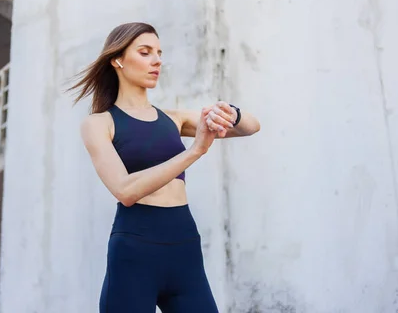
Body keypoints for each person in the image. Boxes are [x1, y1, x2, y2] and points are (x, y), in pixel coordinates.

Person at [69, 22, 260, 312]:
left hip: (184, 245)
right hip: (135, 249)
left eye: (159, 52)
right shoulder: (99, 124)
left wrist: (230, 113)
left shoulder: (174, 119)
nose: (157, 60)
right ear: (117, 59)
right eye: (145, 52)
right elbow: (125, 190)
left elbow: (251, 127)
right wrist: (195, 150)